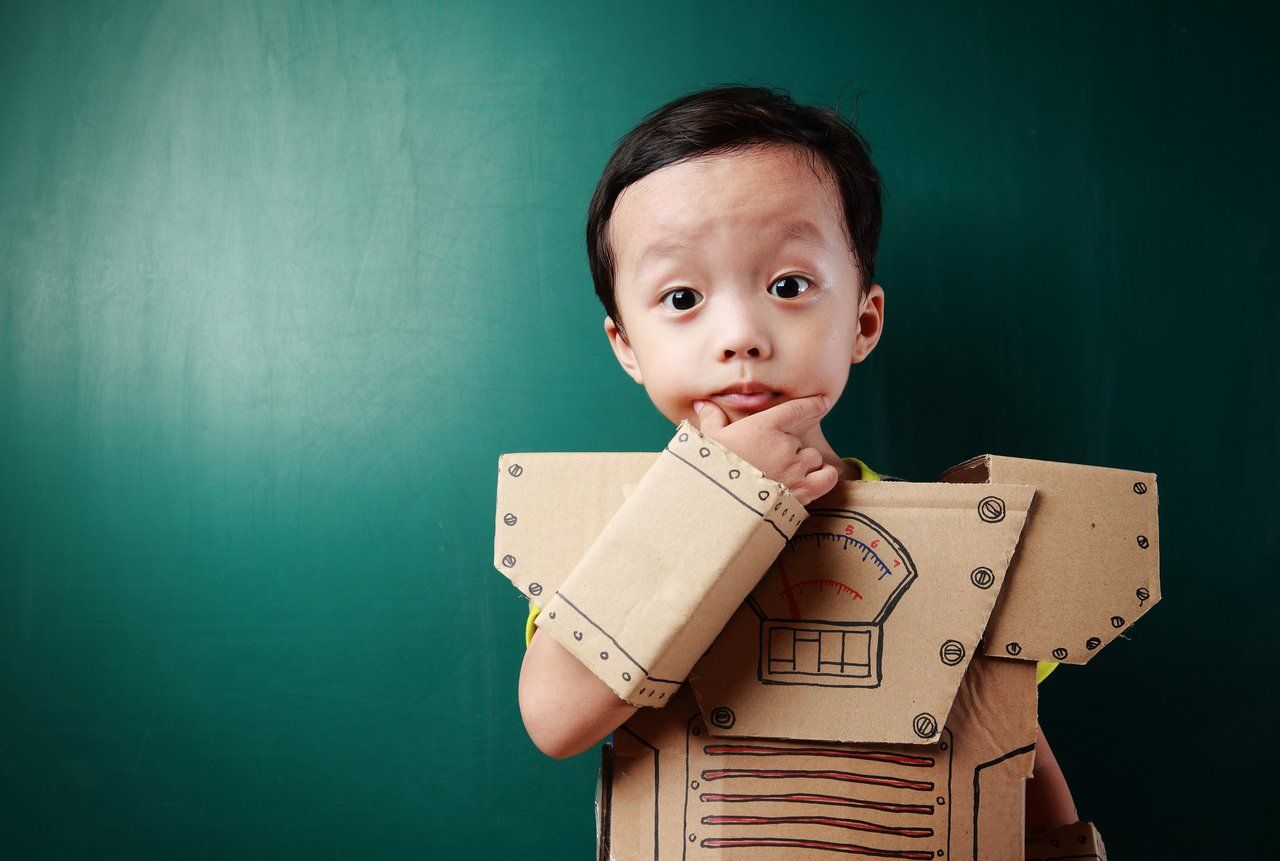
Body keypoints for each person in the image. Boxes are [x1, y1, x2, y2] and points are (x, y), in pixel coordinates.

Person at [516, 84, 1078, 830]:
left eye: (788, 285)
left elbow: (1010, 745)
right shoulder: (608, 531)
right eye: (682, 297)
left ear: (863, 320)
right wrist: (724, 491)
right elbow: (556, 717)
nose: (740, 333)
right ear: (626, 345)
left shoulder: (953, 536)